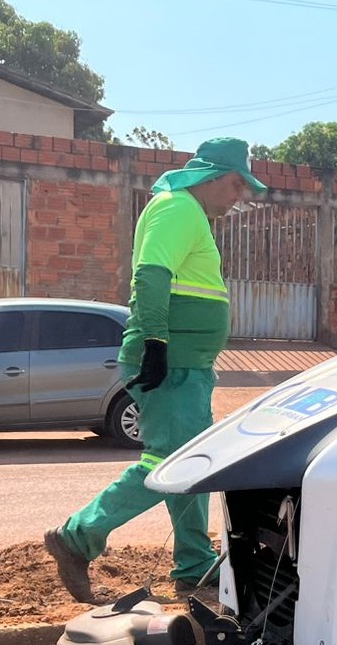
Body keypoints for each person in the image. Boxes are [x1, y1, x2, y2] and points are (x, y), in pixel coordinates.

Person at [43, 137, 266, 602]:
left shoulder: (185, 211)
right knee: (168, 463)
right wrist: (157, 343)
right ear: (215, 176)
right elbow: (151, 274)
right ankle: (77, 537)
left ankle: (193, 565)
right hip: (174, 364)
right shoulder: (178, 208)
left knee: (191, 464)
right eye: (237, 184)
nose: (240, 195)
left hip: (188, 365)